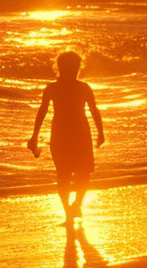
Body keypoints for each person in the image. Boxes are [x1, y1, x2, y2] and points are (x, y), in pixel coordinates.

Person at [27, 50, 104, 224]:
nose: (74, 70)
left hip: (71, 133)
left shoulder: (76, 87)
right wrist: (35, 135)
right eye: (71, 66)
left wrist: (101, 132)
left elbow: (94, 110)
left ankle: (74, 206)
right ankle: (70, 210)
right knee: (70, 174)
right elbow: (43, 111)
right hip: (69, 133)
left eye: (75, 66)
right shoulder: (58, 88)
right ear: (60, 68)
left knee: (76, 174)